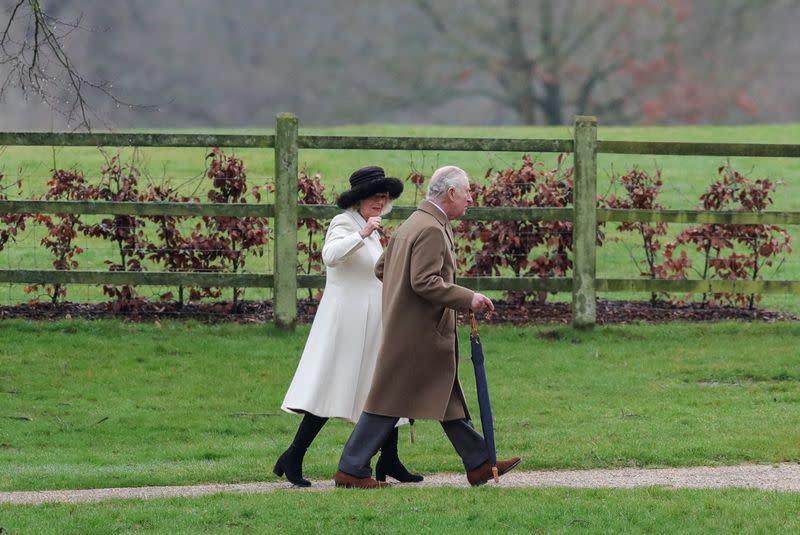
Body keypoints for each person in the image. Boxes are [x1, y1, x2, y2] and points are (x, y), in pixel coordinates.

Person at [334, 165, 521, 489]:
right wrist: (468, 298)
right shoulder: (432, 228)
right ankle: (351, 469)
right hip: (419, 333)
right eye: (467, 192)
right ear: (450, 193)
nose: (470, 198)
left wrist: (399, 300)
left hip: (416, 330)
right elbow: (424, 281)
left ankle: (479, 463)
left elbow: (383, 267)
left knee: (446, 394)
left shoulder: (414, 222)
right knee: (387, 400)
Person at [275, 166, 422, 487]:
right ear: (359, 200)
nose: (380, 202)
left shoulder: (376, 227)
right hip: (346, 324)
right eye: (374, 197)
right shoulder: (345, 223)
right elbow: (330, 256)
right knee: (331, 389)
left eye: (385, 198)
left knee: (382, 387)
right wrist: (362, 234)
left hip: (374, 321)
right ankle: (294, 455)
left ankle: (390, 459)